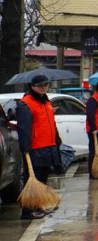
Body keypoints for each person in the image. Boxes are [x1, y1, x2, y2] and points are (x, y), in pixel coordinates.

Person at [16, 75, 63, 220]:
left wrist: (57, 140)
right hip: (35, 148)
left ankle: (39, 205)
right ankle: (28, 210)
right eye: (40, 85)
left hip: (48, 145)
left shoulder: (46, 101)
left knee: (42, 178)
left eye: (46, 85)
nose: (44, 87)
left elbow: (51, 123)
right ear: (32, 86)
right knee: (32, 179)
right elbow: (24, 128)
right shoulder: (26, 103)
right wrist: (25, 149)